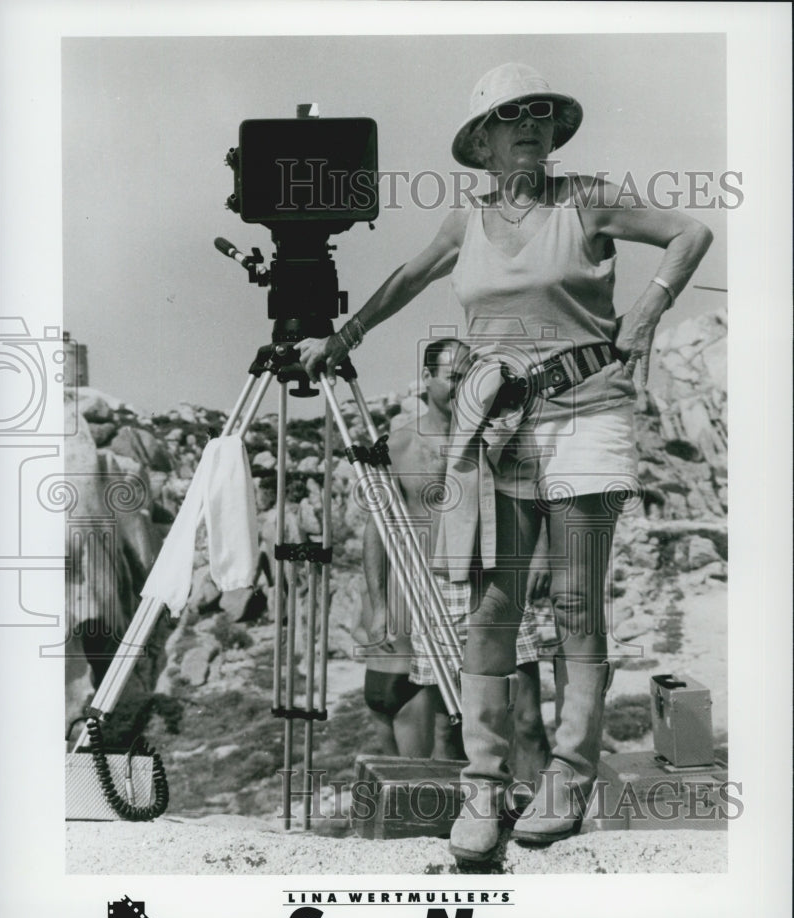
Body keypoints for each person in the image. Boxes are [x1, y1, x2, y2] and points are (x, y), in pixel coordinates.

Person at [300, 63, 712, 862]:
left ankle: (567, 773)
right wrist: (340, 339)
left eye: (540, 113)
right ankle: (482, 787)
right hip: (499, 429)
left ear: (552, 131)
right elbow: (404, 281)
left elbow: (690, 233)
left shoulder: (588, 197)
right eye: (509, 115)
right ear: (483, 140)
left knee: (574, 606)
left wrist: (652, 306)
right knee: (494, 611)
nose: (528, 123)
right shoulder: (465, 221)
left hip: (588, 416)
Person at [361, 337, 555, 777]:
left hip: (497, 580)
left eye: (470, 376)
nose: (463, 386)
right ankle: (460, 821)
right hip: (433, 591)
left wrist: (541, 555)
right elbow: (378, 528)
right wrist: (379, 608)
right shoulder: (401, 444)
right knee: (450, 725)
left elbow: (531, 496)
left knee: (526, 719)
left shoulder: (499, 430)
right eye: (453, 377)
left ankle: (542, 821)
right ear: (427, 379)